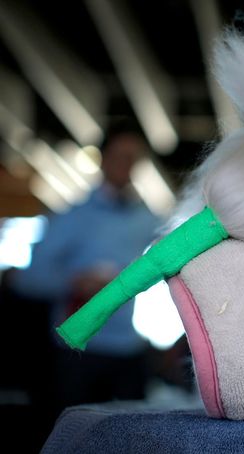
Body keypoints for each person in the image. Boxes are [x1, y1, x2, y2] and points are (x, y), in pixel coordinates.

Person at [8, 121, 161, 412]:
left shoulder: (146, 219)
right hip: (77, 349)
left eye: (132, 159)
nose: (125, 165)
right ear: (102, 159)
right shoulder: (71, 216)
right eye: (119, 156)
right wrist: (75, 281)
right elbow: (27, 279)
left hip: (128, 347)